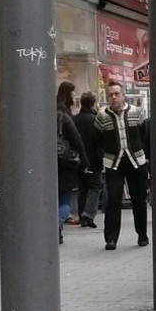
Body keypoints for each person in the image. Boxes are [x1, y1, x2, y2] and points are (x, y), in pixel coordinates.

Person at [95, 80, 150, 250]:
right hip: (113, 164)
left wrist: (144, 157)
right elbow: (98, 141)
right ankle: (111, 238)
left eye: (117, 94)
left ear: (123, 95)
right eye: (110, 94)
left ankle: (142, 234)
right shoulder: (102, 116)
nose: (114, 97)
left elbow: (144, 136)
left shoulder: (137, 112)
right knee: (113, 201)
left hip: (136, 162)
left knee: (139, 200)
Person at [56, 108, 87, 244]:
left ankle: (53, 229)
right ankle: (57, 225)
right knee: (64, 199)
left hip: (43, 167)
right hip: (64, 166)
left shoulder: (37, 118)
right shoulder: (64, 118)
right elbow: (78, 141)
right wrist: (84, 162)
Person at [73, 91, 102, 228]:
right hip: (93, 160)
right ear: (93, 103)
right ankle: (88, 214)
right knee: (95, 187)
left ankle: (82, 215)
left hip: (78, 160)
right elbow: (99, 141)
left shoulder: (74, 119)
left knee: (82, 188)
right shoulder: (95, 120)